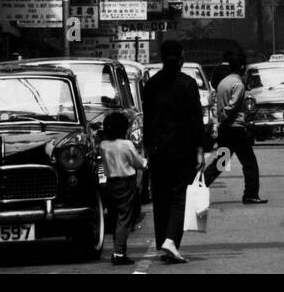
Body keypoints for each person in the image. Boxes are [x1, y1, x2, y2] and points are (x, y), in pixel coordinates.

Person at [141, 38, 206, 264]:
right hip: (182, 149)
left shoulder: (151, 85)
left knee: (161, 196)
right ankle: (171, 241)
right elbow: (196, 120)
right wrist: (200, 150)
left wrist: (147, 149)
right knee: (180, 196)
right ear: (180, 58)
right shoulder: (188, 84)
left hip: (158, 150)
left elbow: (147, 121)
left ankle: (164, 243)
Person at [203, 51, 266, 204]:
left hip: (225, 130)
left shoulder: (223, 82)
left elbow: (219, 106)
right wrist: (225, 116)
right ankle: (250, 194)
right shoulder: (238, 84)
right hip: (236, 129)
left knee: (221, 163)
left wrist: (220, 120)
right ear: (242, 66)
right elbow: (232, 106)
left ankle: (199, 186)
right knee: (249, 162)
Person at [100, 111, 147, 266]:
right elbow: (138, 163)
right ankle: (119, 253)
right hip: (126, 183)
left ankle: (119, 249)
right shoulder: (126, 145)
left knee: (115, 219)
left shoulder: (103, 145)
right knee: (125, 219)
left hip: (110, 184)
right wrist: (145, 162)